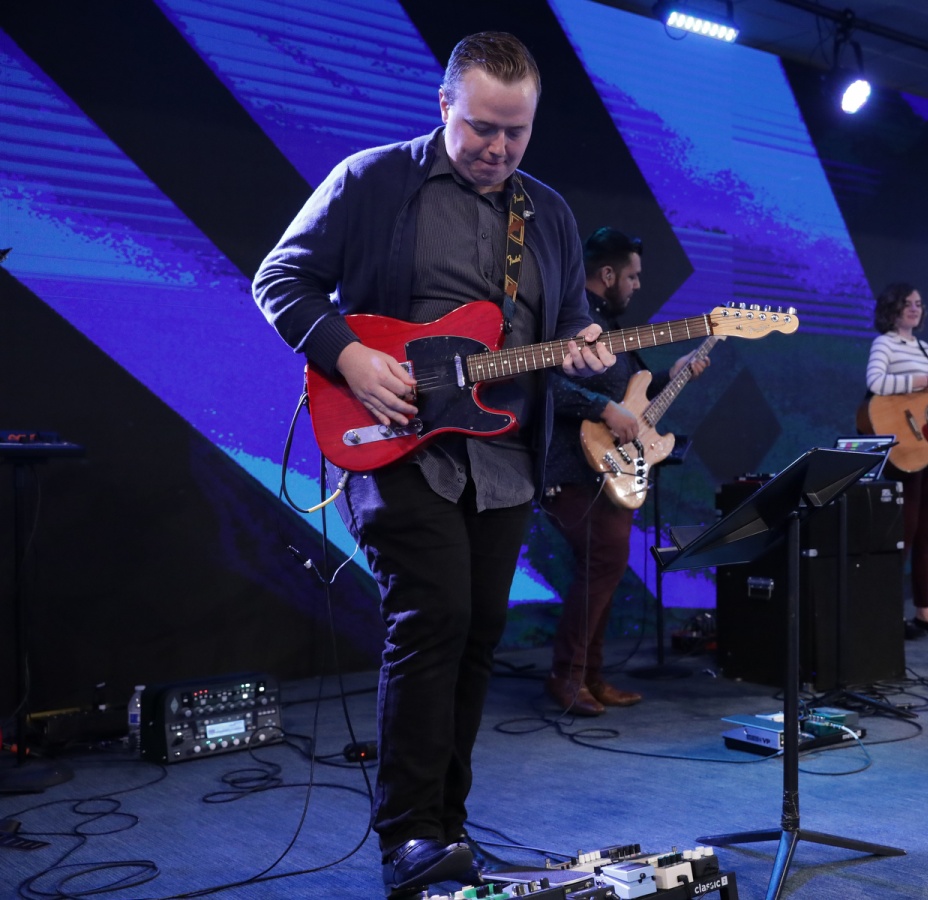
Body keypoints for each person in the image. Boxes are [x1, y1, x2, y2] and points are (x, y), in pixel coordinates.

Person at [252, 32, 614, 898]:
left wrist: (585, 347)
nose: (498, 147)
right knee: (434, 617)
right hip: (395, 442)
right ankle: (408, 835)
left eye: (516, 132)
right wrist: (348, 357)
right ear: (444, 104)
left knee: (481, 630)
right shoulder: (372, 180)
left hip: (503, 458)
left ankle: (446, 827)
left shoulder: (549, 213)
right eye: (483, 126)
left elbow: (568, 324)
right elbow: (280, 279)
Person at [541, 227, 709, 716]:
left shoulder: (611, 328)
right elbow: (543, 386)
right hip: (570, 468)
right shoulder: (572, 320)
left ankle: (589, 676)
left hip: (607, 471)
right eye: (632, 276)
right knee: (603, 561)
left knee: (606, 565)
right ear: (608, 274)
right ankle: (568, 676)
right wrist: (601, 407)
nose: (638, 285)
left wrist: (673, 374)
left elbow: (630, 398)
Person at [865, 282, 928, 639]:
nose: (914, 308)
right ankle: (888, 612)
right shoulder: (884, 344)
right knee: (904, 530)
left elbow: (922, 403)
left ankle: (926, 610)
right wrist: (924, 379)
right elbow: (876, 383)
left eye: (918, 304)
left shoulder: (924, 347)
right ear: (891, 308)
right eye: (907, 303)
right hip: (904, 447)